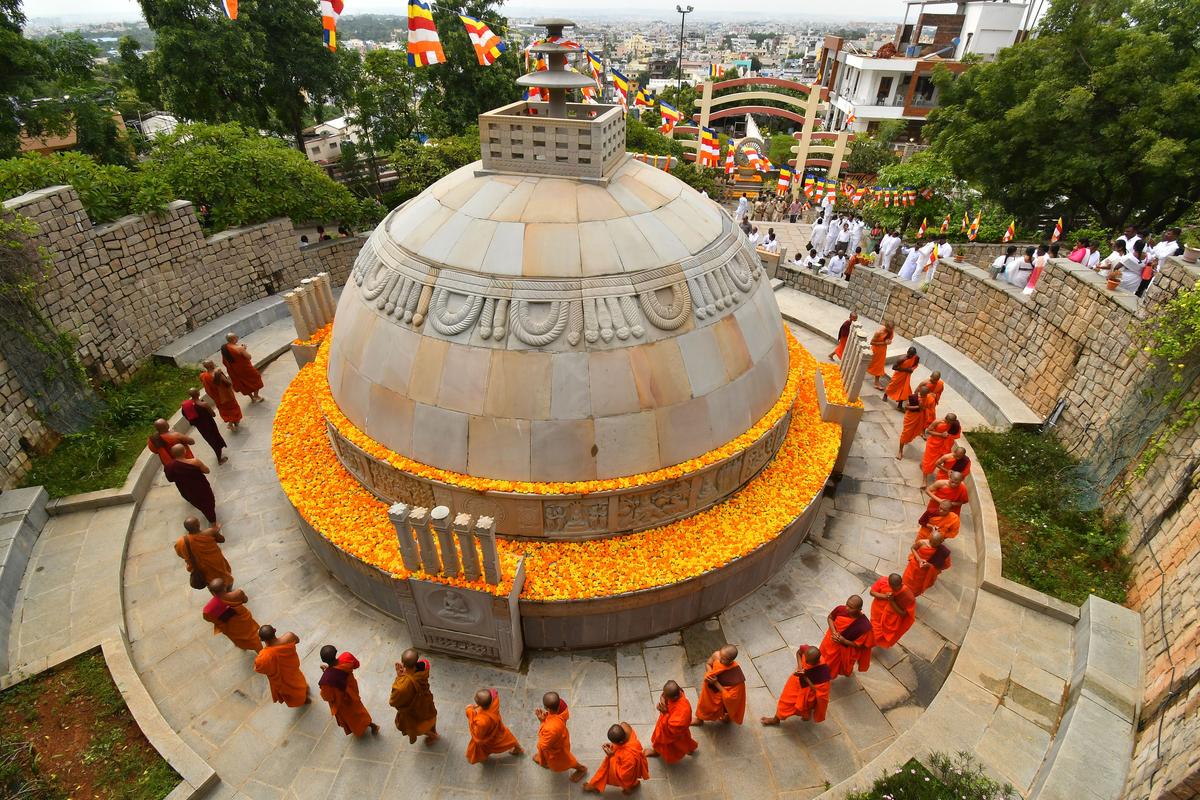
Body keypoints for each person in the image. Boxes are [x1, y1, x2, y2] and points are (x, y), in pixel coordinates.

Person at [760, 646, 831, 726]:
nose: (806, 660)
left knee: (807, 705)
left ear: (816, 661)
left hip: (807, 691)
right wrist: (800, 668)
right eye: (806, 658)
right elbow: (798, 653)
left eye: (808, 661)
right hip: (796, 682)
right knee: (785, 702)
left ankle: (804, 714)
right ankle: (776, 719)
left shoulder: (823, 673)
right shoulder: (807, 651)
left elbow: (818, 692)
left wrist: (805, 677)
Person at [319, 645, 379, 737]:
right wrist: (329, 672)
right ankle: (370, 725)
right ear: (336, 652)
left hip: (343, 701)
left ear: (323, 660)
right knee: (359, 709)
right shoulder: (346, 656)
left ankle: (371, 725)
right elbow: (356, 664)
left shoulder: (326, 680)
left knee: (353, 716)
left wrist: (328, 673)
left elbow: (327, 696)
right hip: (352, 690)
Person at [533, 691, 588, 783]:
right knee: (563, 758)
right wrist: (545, 719)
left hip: (557, 750)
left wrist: (542, 722)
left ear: (546, 708)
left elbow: (544, 745)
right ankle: (544, 760)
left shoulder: (551, 728)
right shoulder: (560, 711)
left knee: (566, 761)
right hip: (560, 740)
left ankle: (581, 769)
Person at [389, 649, 439, 744]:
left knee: (418, 728)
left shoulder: (403, 685)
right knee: (431, 716)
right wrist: (404, 675)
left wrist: (399, 677)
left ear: (403, 663)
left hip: (415, 709)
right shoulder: (424, 665)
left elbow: (393, 701)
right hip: (426, 700)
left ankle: (433, 735)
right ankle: (434, 731)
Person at [585, 723, 650, 795]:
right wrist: (613, 745)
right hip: (630, 765)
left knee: (607, 775)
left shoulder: (629, 756)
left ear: (620, 742)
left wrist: (612, 757)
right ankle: (633, 784)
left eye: (614, 742)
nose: (612, 744)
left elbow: (624, 775)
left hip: (628, 770)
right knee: (630, 780)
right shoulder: (625, 726)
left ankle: (629, 788)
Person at [254, 625, 310, 707]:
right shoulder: (289, 636)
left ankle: (302, 699)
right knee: (299, 681)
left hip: (282, 681)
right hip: (293, 670)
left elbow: (258, 669)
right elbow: (297, 640)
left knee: (292, 692)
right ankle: (304, 693)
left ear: (261, 640)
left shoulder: (263, 657)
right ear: (274, 631)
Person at [819, 596, 873, 679]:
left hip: (844, 649)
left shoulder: (864, 626)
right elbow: (830, 617)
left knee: (832, 666)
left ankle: (826, 676)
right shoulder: (840, 609)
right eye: (847, 604)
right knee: (822, 657)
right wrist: (834, 632)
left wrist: (844, 641)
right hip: (830, 641)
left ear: (859, 609)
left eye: (851, 607)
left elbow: (860, 645)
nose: (847, 608)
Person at [692, 644, 747, 726]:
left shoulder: (736, 675)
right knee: (705, 705)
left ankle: (727, 717)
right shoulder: (717, 655)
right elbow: (708, 664)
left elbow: (732, 698)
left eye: (724, 659)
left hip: (720, 692)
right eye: (721, 656)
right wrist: (710, 674)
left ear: (731, 660)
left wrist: (715, 683)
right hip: (710, 691)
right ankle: (699, 720)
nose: (720, 660)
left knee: (727, 707)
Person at [466, 688, 523, 764]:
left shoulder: (482, 721)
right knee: (507, 738)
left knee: (479, 747)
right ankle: (517, 747)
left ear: (480, 705)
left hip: (488, 734)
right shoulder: (495, 700)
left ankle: (480, 757)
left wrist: (469, 711)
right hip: (497, 726)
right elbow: (494, 691)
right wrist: (479, 705)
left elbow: (477, 735)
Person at [646, 680, 697, 763]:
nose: (663, 696)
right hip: (670, 724)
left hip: (672, 733)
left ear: (675, 697)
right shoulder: (677, 693)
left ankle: (657, 752)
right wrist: (663, 700)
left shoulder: (683, 711)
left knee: (662, 741)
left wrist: (665, 713)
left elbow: (672, 730)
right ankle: (689, 749)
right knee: (685, 741)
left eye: (666, 696)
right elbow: (663, 696)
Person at [203, 577, 259, 651]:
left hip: (229, 627)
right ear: (225, 587)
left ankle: (243, 646)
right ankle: (258, 649)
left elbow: (208, 618)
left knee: (237, 639)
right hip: (244, 621)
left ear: (212, 592)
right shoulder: (238, 593)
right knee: (253, 637)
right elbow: (245, 600)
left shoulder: (208, 609)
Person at [164, 445, 217, 523]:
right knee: (208, 503)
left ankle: (207, 512)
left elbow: (170, 479)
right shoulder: (195, 462)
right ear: (184, 452)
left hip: (186, 490)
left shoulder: (168, 466)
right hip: (201, 488)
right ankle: (213, 522)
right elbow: (207, 471)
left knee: (198, 502)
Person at [175, 516, 231, 586]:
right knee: (225, 578)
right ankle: (228, 590)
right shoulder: (210, 532)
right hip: (217, 563)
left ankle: (217, 593)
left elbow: (181, 554)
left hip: (201, 570)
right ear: (198, 525)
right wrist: (215, 532)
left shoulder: (181, 542)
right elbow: (222, 540)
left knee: (210, 583)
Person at [869, 573, 916, 648]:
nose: (897, 590)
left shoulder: (906, 594)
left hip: (889, 619)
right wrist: (885, 596)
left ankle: (870, 643)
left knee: (878, 634)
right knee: (873, 629)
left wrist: (892, 601)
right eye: (894, 588)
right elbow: (872, 592)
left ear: (901, 583)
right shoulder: (883, 581)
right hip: (877, 612)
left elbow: (903, 614)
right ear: (889, 584)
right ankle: (870, 641)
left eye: (898, 587)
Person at [181, 388, 227, 464]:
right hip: (210, 425)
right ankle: (219, 459)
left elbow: (186, 416)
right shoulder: (204, 405)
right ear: (198, 393)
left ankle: (219, 453)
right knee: (215, 439)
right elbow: (213, 414)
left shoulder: (186, 406)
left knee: (210, 440)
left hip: (201, 427)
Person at [903, 531, 951, 597]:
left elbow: (945, 565)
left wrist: (929, 565)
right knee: (906, 581)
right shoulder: (921, 542)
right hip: (913, 566)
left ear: (940, 542)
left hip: (924, 573)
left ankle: (910, 598)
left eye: (934, 543)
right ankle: (902, 592)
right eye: (930, 541)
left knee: (916, 589)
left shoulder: (943, 552)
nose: (931, 544)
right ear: (929, 537)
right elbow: (913, 548)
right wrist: (919, 559)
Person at [221, 333, 264, 403]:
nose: (238, 338)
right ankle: (256, 395)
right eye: (236, 337)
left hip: (234, 371)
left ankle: (252, 398)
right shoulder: (239, 348)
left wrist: (241, 349)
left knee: (243, 384)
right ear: (234, 339)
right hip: (245, 369)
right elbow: (249, 357)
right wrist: (244, 349)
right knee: (256, 378)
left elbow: (225, 361)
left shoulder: (224, 348)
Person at [199, 360, 242, 430]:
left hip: (217, 397)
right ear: (211, 365)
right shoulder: (217, 373)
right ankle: (231, 424)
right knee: (232, 408)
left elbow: (207, 385)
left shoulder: (203, 376)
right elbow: (228, 383)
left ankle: (234, 422)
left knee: (225, 410)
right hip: (226, 395)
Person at [921, 414, 961, 484]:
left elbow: (956, 435)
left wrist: (949, 435)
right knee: (928, 460)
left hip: (944, 445)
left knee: (936, 461)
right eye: (948, 422)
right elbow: (928, 431)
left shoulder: (955, 425)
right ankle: (924, 480)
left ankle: (923, 465)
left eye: (951, 423)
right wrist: (941, 435)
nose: (949, 424)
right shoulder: (938, 422)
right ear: (946, 418)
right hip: (933, 444)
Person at [1145, 228, 1183, 296]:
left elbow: (1162, 256)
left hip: (1159, 269)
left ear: (1175, 236)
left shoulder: (1174, 247)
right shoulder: (1161, 243)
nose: (1166, 234)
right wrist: (1149, 245)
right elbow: (1152, 252)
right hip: (1151, 266)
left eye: (1168, 234)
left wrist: (1155, 250)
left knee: (1150, 289)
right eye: (1166, 233)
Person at [897, 389, 926, 461]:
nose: (923, 396)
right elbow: (907, 407)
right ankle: (900, 451)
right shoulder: (914, 397)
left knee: (914, 431)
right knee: (905, 434)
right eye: (922, 395)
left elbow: (923, 408)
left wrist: (922, 407)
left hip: (918, 417)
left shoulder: (926, 398)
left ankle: (907, 439)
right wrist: (918, 407)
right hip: (910, 418)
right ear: (920, 393)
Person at [867, 322, 894, 390]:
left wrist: (888, 342)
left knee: (879, 367)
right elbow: (872, 342)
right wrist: (883, 343)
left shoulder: (891, 332)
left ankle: (876, 383)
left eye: (892, 328)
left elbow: (888, 340)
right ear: (886, 326)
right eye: (889, 328)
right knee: (870, 364)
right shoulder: (879, 332)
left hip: (882, 351)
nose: (891, 330)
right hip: (875, 350)